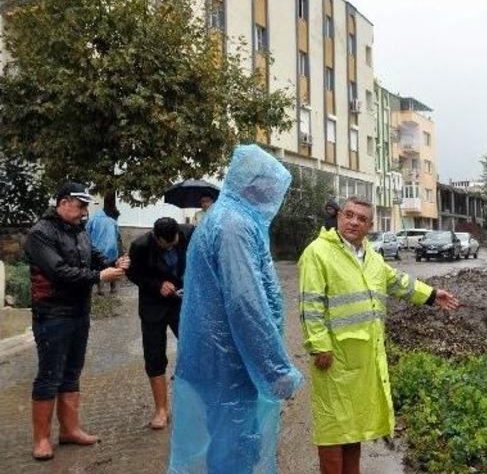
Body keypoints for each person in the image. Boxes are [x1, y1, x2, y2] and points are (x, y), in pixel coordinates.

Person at [299, 196, 460, 474]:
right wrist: (319, 345)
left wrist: (432, 295)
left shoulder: (371, 256)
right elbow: (310, 304)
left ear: (370, 226)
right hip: (334, 359)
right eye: (349, 215)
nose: (354, 222)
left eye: (361, 219)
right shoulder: (318, 253)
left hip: (364, 360)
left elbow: (398, 281)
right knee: (333, 430)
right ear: (339, 218)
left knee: (354, 428)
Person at [168, 145, 303, 474]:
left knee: (230, 447)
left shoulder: (229, 218)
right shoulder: (234, 226)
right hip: (228, 364)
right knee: (234, 452)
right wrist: (276, 371)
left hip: (221, 361)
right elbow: (246, 304)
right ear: (256, 185)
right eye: (272, 188)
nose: (276, 196)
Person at [24, 182, 128, 461]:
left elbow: (92, 257)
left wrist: (114, 262)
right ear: (64, 202)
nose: (84, 213)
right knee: (49, 375)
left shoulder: (78, 230)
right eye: (81, 206)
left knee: (71, 372)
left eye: (85, 207)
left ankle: (69, 430)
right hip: (52, 314)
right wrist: (98, 277)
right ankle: (41, 439)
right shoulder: (40, 234)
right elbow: (58, 271)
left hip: (79, 312)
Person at [126, 217, 194, 430]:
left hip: (182, 302)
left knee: (194, 348)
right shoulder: (140, 246)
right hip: (153, 305)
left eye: (173, 243)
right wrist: (157, 285)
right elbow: (133, 273)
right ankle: (161, 410)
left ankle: (194, 404)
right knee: (154, 355)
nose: (170, 247)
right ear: (156, 238)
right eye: (165, 245)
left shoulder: (189, 234)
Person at [84, 207, 121, 295]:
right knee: (113, 268)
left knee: (99, 269)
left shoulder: (92, 220)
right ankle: (113, 289)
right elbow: (118, 236)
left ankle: (101, 290)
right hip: (112, 250)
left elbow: (85, 234)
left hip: (97, 249)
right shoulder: (113, 222)